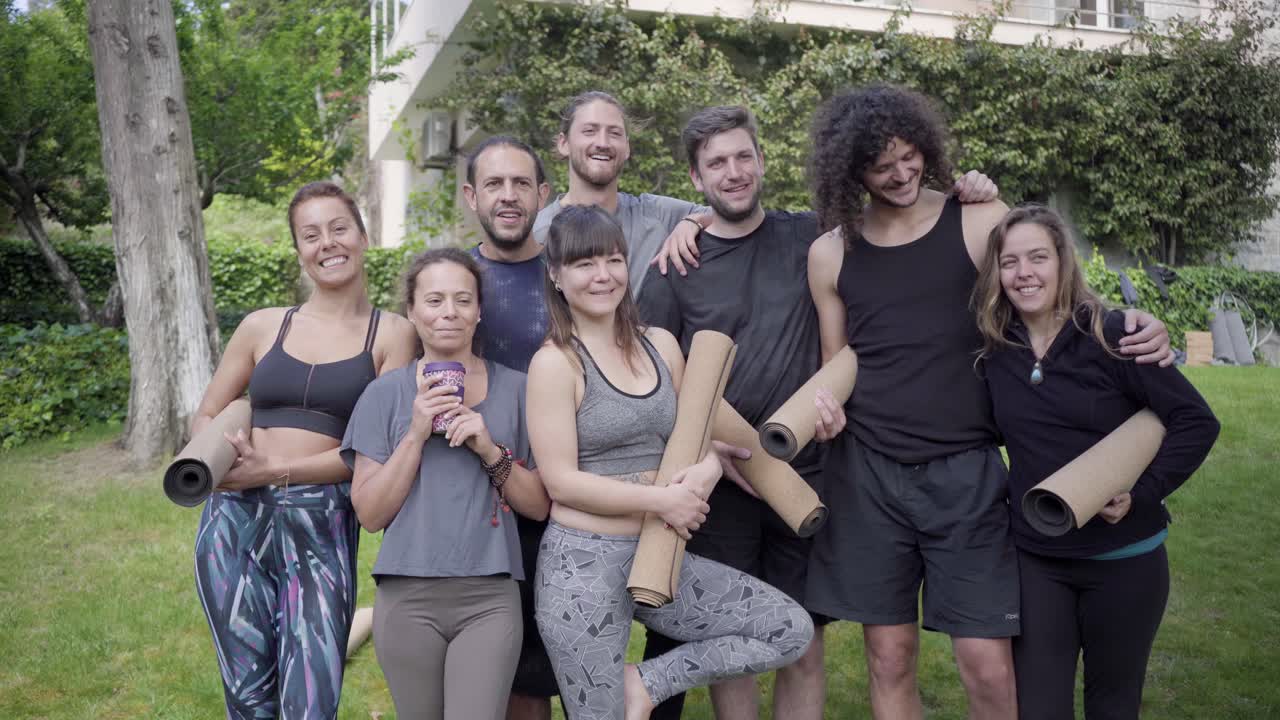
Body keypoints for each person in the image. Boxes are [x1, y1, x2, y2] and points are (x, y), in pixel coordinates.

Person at [803, 84, 1173, 720]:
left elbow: (1049, 289)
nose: (901, 174)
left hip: (967, 474)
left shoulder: (976, 219)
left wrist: (1128, 323)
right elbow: (835, 364)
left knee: (988, 666)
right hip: (868, 476)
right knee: (889, 658)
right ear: (851, 171)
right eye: (881, 166)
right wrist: (825, 412)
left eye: (910, 156)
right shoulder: (830, 252)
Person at [638, 105, 1001, 720]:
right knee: (734, 640)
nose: (734, 172)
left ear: (761, 160)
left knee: (802, 639)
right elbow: (651, 370)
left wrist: (971, 187)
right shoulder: (677, 264)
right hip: (717, 480)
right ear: (696, 179)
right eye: (716, 164)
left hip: (804, 473)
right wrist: (706, 444)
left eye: (743, 156)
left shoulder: (814, 237)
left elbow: (898, 227)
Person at [526, 204, 814, 720]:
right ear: (556, 275)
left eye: (613, 260)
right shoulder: (554, 363)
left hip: (660, 553)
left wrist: (707, 469)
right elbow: (561, 482)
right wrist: (662, 500)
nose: (603, 275)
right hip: (582, 570)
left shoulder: (659, 344)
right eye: (584, 264)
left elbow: (696, 434)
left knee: (787, 628)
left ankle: (646, 683)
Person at [973, 205, 1219, 720]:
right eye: (1010, 262)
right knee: (1039, 709)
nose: (1024, 273)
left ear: (1062, 262)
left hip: (1125, 561)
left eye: (1038, 257)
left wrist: (1142, 493)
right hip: (1038, 562)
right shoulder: (995, 353)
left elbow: (1196, 421)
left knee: (1112, 706)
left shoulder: (1114, 336)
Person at [191, 181, 416, 718]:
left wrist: (274, 470)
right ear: (298, 250)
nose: (327, 243)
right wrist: (218, 456)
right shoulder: (262, 326)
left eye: (339, 228)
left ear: (362, 236)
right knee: (248, 696)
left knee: (311, 700)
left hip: (321, 526)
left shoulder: (394, 335)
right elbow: (206, 414)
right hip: (233, 522)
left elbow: (375, 455)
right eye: (310, 235)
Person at [340, 248, 551, 719]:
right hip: (406, 595)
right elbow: (370, 514)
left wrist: (489, 450)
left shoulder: (519, 389)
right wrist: (415, 433)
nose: (449, 312)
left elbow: (538, 506)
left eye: (463, 300)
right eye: (434, 300)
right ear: (412, 312)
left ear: (479, 312)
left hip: (490, 596)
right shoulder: (383, 395)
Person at [460, 135, 563, 718]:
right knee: (475, 671)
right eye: (494, 184)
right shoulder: (453, 282)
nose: (508, 195)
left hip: (555, 493)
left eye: (521, 183)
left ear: (542, 194)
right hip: (469, 492)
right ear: (471, 196)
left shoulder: (569, 275)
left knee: (533, 677)